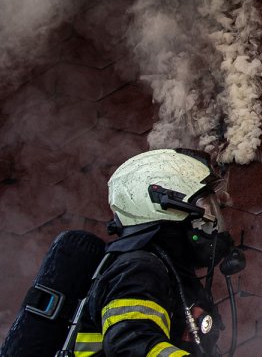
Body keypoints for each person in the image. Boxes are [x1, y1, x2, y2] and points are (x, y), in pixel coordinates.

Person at [69, 148, 242, 357]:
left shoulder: (170, 271)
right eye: (203, 208)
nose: (209, 220)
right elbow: (130, 346)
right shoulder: (137, 269)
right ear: (163, 205)